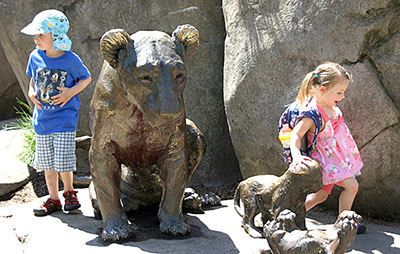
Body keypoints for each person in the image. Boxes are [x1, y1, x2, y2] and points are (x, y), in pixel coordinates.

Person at [21, 9, 92, 216]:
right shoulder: (35, 56)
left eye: (41, 35)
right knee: (47, 164)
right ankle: (53, 199)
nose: (36, 39)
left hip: (64, 121)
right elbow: (32, 77)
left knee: (63, 161)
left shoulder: (70, 60)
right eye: (35, 35)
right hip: (43, 121)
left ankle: (69, 193)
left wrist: (70, 92)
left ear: (57, 36)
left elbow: (85, 78)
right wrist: (31, 90)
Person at [289, 62, 366, 233]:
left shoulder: (330, 106)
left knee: (321, 196)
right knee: (352, 186)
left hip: (340, 160)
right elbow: (296, 135)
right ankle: (344, 223)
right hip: (327, 163)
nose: (343, 96)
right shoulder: (312, 114)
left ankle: (290, 216)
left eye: (343, 92)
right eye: (339, 92)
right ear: (321, 90)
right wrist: (296, 156)